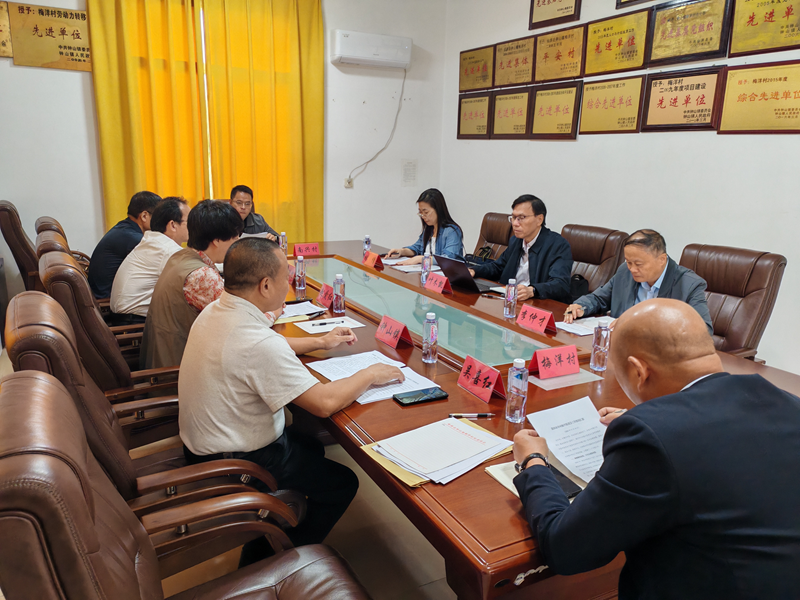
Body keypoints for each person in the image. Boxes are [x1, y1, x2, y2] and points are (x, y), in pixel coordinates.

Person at [512, 299, 800, 600]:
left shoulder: (650, 439)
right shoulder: (787, 402)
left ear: (639, 371)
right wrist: (659, 418)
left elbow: (565, 548)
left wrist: (533, 460)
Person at [179, 237, 404, 565]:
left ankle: (282, 520)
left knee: (310, 446)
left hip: (204, 445)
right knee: (343, 483)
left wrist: (321, 342)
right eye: (286, 276)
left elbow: (265, 345)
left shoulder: (219, 309)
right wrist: (370, 373)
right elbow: (324, 402)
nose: (290, 282)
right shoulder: (257, 342)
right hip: (237, 462)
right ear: (266, 285)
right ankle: (269, 561)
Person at [139, 200, 242, 369]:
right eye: (235, 237)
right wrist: (273, 310)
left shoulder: (181, 256)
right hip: (179, 370)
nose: (237, 243)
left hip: (161, 358)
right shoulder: (202, 275)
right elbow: (240, 322)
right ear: (217, 240)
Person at [563, 229, 713, 334]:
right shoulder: (625, 271)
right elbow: (599, 298)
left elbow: (704, 330)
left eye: (638, 264)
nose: (632, 269)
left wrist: (642, 323)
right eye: (628, 262)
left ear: (662, 259)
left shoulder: (689, 284)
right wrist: (581, 306)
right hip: (620, 349)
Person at [469, 195, 572, 303]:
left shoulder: (558, 245)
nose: (515, 223)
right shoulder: (516, 241)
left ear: (539, 219)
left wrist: (532, 290)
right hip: (511, 300)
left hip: (538, 303)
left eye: (521, 218)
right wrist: (474, 271)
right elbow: (498, 267)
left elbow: (560, 284)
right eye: (513, 218)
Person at [109, 197, 190, 324]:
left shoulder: (154, 242)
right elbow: (197, 273)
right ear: (173, 225)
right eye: (189, 221)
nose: (193, 226)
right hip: (135, 325)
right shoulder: (165, 249)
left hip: (124, 318)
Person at [87, 191, 161, 298]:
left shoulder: (124, 229)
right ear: (144, 216)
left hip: (103, 293)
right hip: (107, 300)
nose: (161, 222)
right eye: (159, 217)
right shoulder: (133, 238)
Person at [386, 188, 465, 264]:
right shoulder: (429, 229)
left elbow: (449, 259)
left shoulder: (452, 231)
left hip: (443, 273)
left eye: (426, 212)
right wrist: (401, 251)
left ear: (438, 209)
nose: (423, 216)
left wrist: (421, 259)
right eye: (421, 213)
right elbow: (417, 248)